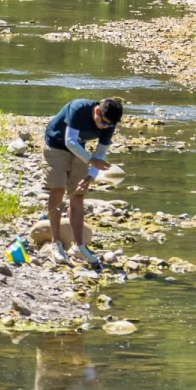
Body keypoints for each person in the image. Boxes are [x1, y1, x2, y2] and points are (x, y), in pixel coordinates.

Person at [43, 96, 123, 267]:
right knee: (58, 189)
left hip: (79, 149)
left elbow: (100, 155)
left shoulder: (109, 124)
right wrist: (91, 161)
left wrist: (89, 177)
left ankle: (79, 246)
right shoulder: (78, 109)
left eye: (110, 125)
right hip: (56, 145)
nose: (106, 127)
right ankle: (55, 243)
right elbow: (69, 141)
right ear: (97, 111)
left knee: (78, 195)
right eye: (104, 123)